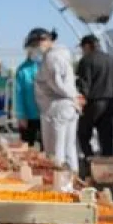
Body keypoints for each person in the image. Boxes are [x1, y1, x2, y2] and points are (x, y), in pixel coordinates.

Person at [30, 27, 80, 170]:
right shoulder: (62, 54)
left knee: (55, 151)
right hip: (67, 107)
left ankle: (59, 185)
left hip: (57, 108)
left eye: (35, 45)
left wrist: (72, 96)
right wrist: (74, 97)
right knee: (69, 148)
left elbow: (57, 84)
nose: (35, 49)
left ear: (43, 41)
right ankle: (73, 181)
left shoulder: (52, 57)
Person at [76, 34, 113, 167]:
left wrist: (80, 101)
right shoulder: (111, 59)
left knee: (83, 135)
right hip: (110, 102)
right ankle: (107, 166)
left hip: (92, 103)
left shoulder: (86, 60)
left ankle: (90, 161)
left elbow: (84, 84)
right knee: (106, 138)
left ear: (87, 46)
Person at [14, 44, 42, 147]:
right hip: (28, 115)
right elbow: (19, 94)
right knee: (26, 147)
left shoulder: (45, 66)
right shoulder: (22, 70)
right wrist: (21, 116)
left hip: (45, 114)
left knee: (47, 148)